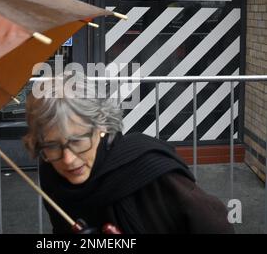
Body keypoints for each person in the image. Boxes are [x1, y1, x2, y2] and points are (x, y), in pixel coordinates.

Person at [23, 71, 234, 234]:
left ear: (102, 125)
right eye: (52, 145)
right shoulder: (51, 170)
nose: (68, 160)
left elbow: (215, 224)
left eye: (78, 141)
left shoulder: (150, 169)